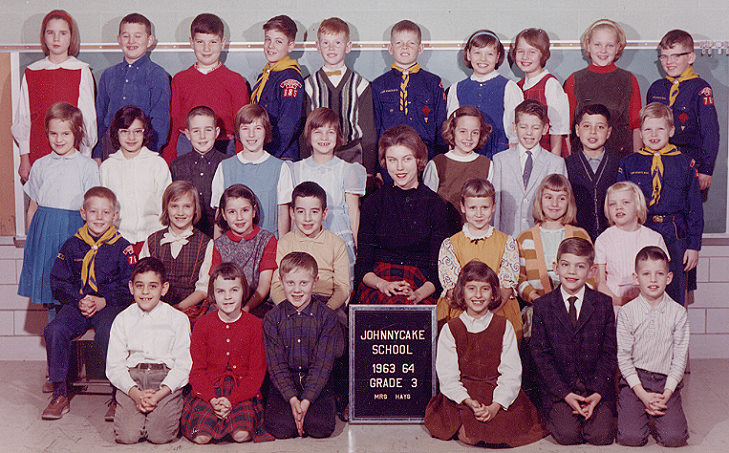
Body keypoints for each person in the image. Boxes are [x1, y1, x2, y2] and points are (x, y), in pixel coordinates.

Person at [425, 261, 547, 447]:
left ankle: (494, 413)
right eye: (471, 288)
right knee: (470, 434)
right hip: (464, 393)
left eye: (485, 289)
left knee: (504, 429)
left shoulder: (503, 326)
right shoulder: (452, 329)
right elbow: (448, 376)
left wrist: (495, 406)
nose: (478, 295)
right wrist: (468, 401)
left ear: (493, 294)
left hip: (494, 390)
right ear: (462, 293)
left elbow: (511, 373)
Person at [42, 187, 136, 420]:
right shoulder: (71, 245)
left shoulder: (122, 246)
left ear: (115, 216)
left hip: (108, 305)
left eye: (105, 212)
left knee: (109, 332)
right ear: (83, 213)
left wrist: (104, 300)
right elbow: (57, 281)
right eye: (93, 211)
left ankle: (117, 393)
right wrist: (79, 299)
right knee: (55, 330)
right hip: (78, 303)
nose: (99, 217)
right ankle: (59, 393)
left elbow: (130, 285)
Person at [530, 237, 616, 445]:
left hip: (594, 388)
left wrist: (596, 393)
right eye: (565, 265)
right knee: (568, 435)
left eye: (580, 267)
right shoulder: (543, 306)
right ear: (555, 267)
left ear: (592, 271)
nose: (571, 272)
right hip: (561, 390)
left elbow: (609, 352)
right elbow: (541, 358)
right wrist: (565, 394)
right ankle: (565, 413)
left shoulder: (603, 304)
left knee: (600, 436)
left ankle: (593, 410)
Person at [18, 103, 99, 321]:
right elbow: (33, 206)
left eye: (65, 133)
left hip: (74, 232)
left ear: (78, 132)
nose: (59, 139)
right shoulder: (41, 165)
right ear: (46, 133)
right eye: (53, 133)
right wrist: (31, 242)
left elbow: (94, 208)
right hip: (44, 235)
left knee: (73, 292)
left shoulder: (87, 166)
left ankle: (72, 346)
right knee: (51, 293)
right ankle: (56, 347)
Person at [617, 102, 703, 306]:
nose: (653, 134)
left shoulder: (685, 163)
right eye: (648, 129)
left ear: (671, 130)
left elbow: (694, 208)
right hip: (642, 230)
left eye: (660, 128)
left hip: (674, 235)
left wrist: (693, 246)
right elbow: (620, 206)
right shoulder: (629, 163)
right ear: (641, 132)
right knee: (639, 291)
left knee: (674, 295)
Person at [355, 125, 449, 305]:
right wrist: (382, 285)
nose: (399, 167)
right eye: (392, 160)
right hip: (380, 282)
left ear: (418, 160)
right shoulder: (373, 203)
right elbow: (363, 266)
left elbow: (438, 268)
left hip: (421, 285)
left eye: (406, 159)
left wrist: (419, 294)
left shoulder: (435, 204)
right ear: (385, 162)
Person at [181, 262, 273, 444]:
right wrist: (212, 399)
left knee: (241, 435)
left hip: (241, 391)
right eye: (221, 291)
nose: (228, 297)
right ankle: (217, 421)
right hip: (209, 389)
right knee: (201, 436)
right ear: (213, 295)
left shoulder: (255, 325)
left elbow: (256, 374)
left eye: (234, 290)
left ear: (244, 292)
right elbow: (197, 370)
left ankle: (228, 422)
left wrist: (232, 400)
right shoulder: (202, 324)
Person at [106, 257, 192, 444]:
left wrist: (160, 394)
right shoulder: (123, 319)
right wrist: (135, 393)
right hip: (133, 379)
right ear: (131, 287)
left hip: (164, 379)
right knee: (127, 436)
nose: (145, 292)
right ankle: (139, 416)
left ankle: (162, 412)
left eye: (153, 286)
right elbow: (114, 366)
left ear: (164, 288)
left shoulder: (178, 319)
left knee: (159, 436)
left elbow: (183, 365)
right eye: (139, 286)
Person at [263, 252, 344, 439]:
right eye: (290, 283)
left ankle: (314, 406)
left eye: (303, 283)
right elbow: (276, 366)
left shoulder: (327, 317)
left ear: (315, 282)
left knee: (320, 428)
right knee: (280, 429)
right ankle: (293, 408)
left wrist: (306, 401)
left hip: (316, 381)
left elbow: (322, 365)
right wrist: (292, 399)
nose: (297, 290)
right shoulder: (272, 318)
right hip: (285, 381)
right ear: (281, 282)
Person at [616, 246, 689, 447]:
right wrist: (642, 394)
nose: (653, 280)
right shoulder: (627, 313)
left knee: (674, 439)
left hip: (665, 381)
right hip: (635, 381)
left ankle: (660, 416)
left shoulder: (678, 313)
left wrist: (667, 393)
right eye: (646, 274)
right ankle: (636, 411)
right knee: (630, 438)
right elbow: (623, 358)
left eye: (659, 274)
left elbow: (679, 358)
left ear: (669, 277)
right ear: (636, 277)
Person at [11, 9, 96, 182]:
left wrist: (86, 156)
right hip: (39, 149)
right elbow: (24, 118)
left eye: (62, 33)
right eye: (51, 33)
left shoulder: (81, 70)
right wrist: (24, 158)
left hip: (73, 152)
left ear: (71, 37)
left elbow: (88, 118)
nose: (56, 39)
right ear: (44, 36)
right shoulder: (32, 72)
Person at [437, 179, 522, 341]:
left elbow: (506, 286)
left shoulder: (507, 243)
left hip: (498, 310)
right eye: (472, 208)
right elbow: (452, 288)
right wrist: (473, 316)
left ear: (494, 207)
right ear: (463, 207)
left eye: (485, 207)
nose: (478, 214)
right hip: (461, 312)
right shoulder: (450, 244)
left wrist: (486, 316)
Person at [291, 108, 366, 284]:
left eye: (330, 132)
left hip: (338, 233)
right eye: (318, 132)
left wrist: (357, 245)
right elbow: (291, 211)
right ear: (308, 135)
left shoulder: (348, 170)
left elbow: (353, 211)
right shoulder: (296, 169)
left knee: (337, 284)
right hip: (305, 234)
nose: (324, 138)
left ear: (338, 135)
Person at [162, 13, 249, 162]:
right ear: (191, 42)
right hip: (186, 145)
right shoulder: (180, 79)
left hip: (224, 145)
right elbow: (173, 122)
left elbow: (242, 124)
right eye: (200, 42)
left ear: (223, 43)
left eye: (213, 42)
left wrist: (241, 160)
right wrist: (169, 158)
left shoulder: (236, 81)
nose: (206, 48)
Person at [516, 174, 591, 334]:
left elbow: (591, 274)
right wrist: (536, 298)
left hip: (574, 307)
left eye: (562, 198)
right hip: (538, 306)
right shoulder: (525, 238)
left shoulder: (580, 235)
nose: (555, 204)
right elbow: (520, 279)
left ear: (569, 202)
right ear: (540, 200)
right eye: (549, 197)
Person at [303, 17, 377, 178]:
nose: (331, 48)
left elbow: (369, 132)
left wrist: (370, 170)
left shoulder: (360, 85)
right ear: (318, 46)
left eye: (337, 43)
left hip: (352, 154)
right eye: (325, 43)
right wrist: (303, 162)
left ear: (348, 46)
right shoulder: (309, 85)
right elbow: (305, 129)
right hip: (317, 156)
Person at [647, 29, 719, 192]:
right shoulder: (656, 88)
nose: (669, 61)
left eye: (676, 56)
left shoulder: (701, 89)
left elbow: (710, 131)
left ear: (691, 57)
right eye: (664, 56)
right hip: (659, 163)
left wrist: (706, 169)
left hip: (689, 163)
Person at [94, 13, 170, 161]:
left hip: (144, 148)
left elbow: (161, 119)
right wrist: (97, 154)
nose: (131, 41)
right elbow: (99, 118)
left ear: (149, 40)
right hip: (110, 150)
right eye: (126, 36)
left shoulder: (157, 75)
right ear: (119, 40)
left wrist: (149, 153)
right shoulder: (108, 75)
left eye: (138, 36)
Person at [210, 104, 293, 237]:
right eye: (245, 128)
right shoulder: (225, 167)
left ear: (266, 131)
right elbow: (219, 215)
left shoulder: (280, 168)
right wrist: (217, 248)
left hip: (268, 245)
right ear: (238, 131)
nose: (251, 134)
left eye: (258, 128)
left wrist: (282, 247)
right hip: (233, 246)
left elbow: (283, 213)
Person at [99, 106, 171, 255]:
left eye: (137, 131)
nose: (131, 138)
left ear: (145, 133)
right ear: (116, 133)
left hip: (152, 238)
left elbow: (165, 205)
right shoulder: (108, 167)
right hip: (117, 240)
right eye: (125, 132)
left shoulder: (157, 164)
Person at [564, 18, 641, 158]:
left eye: (610, 45)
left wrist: (636, 161)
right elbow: (566, 128)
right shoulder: (574, 79)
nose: (603, 51)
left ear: (618, 47)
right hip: (583, 157)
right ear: (588, 45)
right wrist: (569, 160)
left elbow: (636, 126)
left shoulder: (629, 79)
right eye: (597, 44)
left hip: (621, 155)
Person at [372, 20, 447, 162]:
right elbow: (375, 128)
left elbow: (440, 123)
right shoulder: (378, 85)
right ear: (390, 48)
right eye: (399, 43)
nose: (405, 47)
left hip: (426, 156)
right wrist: (377, 167)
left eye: (411, 43)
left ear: (420, 48)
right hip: (390, 158)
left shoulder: (433, 83)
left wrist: (439, 161)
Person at [270, 181, 350, 313]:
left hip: (326, 302)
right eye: (301, 211)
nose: (307, 218)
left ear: (324, 214)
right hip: (291, 301)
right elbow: (276, 285)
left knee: (336, 324)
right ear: (292, 213)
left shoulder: (337, 244)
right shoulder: (284, 243)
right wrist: (289, 308)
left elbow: (343, 287)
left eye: (314, 212)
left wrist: (328, 309)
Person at [139, 181, 213, 323]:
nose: (180, 212)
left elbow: (203, 289)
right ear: (166, 208)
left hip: (188, 307)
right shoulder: (152, 241)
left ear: (195, 209)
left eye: (187, 206)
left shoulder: (206, 244)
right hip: (154, 304)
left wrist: (177, 308)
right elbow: (143, 281)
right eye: (174, 206)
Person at [492, 99, 567, 236]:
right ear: (515, 127)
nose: (529, 133)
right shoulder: (500, 160)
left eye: (536, 128)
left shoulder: (556, 163)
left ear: (545, 129)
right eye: (523, 127)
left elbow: (562, 207)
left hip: (541, 239)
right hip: (507, 237)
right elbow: (495, 207)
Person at [447, 29, 523, 158]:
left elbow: (515, 130)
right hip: (465, 155)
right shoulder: (457, 88)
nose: (483, 59)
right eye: (477, 53)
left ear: (498, 56)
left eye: (489, 54)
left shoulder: (509, 87)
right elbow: (452, 128)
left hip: (499, 153)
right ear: (468, 55)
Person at [595, 182, 669, 309]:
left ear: (638, 205)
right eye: (613, 204)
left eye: (626, 202)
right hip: (615, 304)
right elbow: (600, 282)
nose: (619, 207)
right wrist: (618, 301)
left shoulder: (654, 238)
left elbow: (661, 279)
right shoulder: (603, 240)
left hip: (649, 304)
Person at [210, 184, 278, 318]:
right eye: (232, 212)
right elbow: (214, 284)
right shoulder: (219, 244)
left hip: (256, 304)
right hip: (225, 303)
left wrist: (245, 309)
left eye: (245, 210)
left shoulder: (266, 240)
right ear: (223, 214)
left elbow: (264, 285)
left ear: (254, 211)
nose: (239, 217)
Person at [423, 106, 493, 233]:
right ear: (452, 131)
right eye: (463, 131)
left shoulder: (487, 164)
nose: (469, 137)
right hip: (444, 234)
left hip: (477, 234)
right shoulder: (437, 164)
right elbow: (426, 207)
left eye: (475, 132)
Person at [250, 14, 304, 160]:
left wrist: (270, 155)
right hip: (262, 150)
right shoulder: (266, 74)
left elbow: (288, 123)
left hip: (280, 154)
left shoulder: (289, 78)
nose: (271, 46)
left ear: (291, 45)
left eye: (278, 41)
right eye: (268, 39)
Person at [510, 27, 569, 156]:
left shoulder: (550, 84)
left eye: (532, 52)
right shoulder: (516, 87)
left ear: (543, 55)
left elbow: (558, 130)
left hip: (548, 153)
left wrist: (554, 162)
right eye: (520, 51)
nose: (525, 57)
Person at [565, 104, 620, 241]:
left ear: (608, 132)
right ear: (577, 130)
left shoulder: (618, 164)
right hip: (577, 239)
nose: (593, 132)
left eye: (600, 127)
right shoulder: (566, 165)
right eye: (587, 126)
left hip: (612, 238)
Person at [170, 106, 226, 238]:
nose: (202, 136)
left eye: (208, 130)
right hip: (186, 232)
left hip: (220, 232)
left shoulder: (227, 164)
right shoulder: (177, 165)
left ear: (217, 132)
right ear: (188, 134)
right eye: (196, 131)